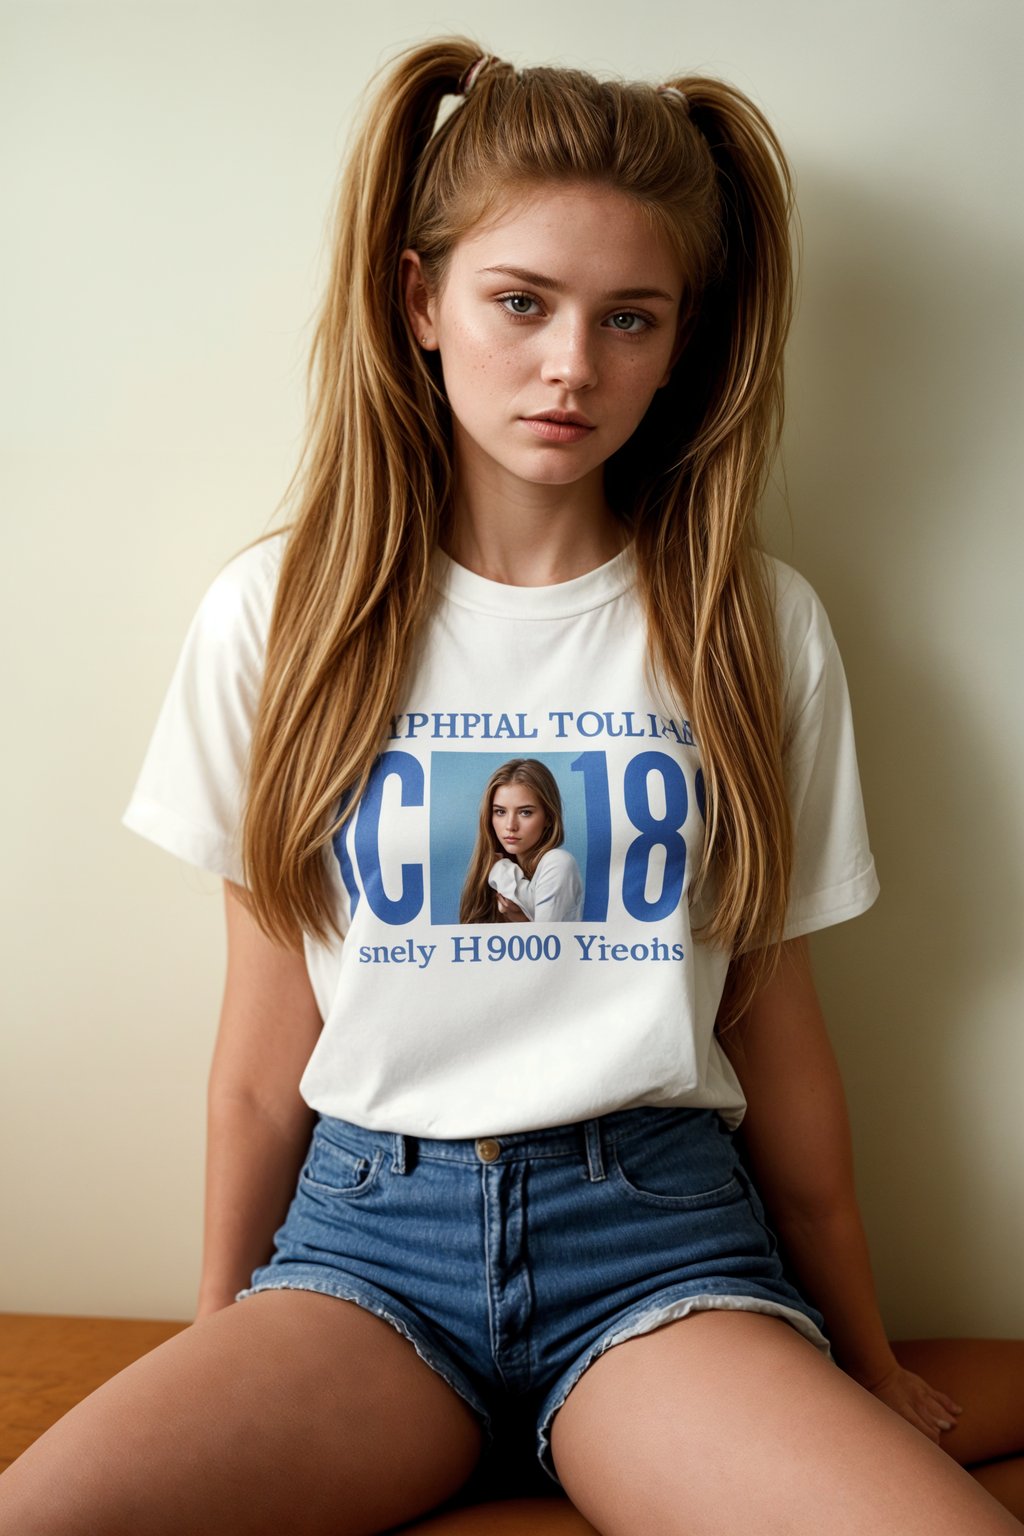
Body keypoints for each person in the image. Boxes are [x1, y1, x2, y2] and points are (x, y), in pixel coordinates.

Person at [1, 36, 1020, 1536]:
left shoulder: (751, 627)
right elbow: (257, 1048)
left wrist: (860, 1352)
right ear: (423, 302)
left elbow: (779, 1027)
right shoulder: (280, 619)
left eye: (630, 318)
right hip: (365, 1255)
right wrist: (224, 1330)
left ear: (681, 345)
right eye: (522, 302)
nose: (571, 365)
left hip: (657, 1253)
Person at [461, 757, 584, 922]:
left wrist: (500, 869)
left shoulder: (559, 862)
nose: (510, 826)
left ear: (548, 817)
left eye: (525, 812)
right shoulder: (489, 874)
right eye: (500, 812)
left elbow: (548, 944)